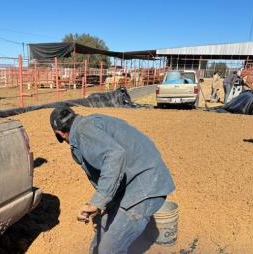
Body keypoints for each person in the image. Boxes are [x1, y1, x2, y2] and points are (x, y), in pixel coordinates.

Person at [50, 107, 175, 254]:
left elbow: (115, 155)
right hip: (133, 184)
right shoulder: (89, 124)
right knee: (101, 232)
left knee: (109, 249)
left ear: (59, 134)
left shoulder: (84, 131)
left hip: (145, 187)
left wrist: (98, 201)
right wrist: (103, 205)